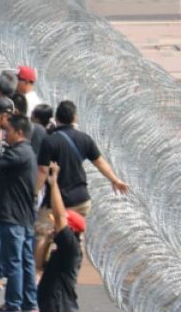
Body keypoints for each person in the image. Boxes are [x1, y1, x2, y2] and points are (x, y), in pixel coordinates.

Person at [33, 100, 129, 268]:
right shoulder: (84, 139)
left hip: (56, 201)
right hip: (80, 200)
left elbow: (42, 171)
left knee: (43, 234)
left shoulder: (50, 141)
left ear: (56, 118)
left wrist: (34, 192)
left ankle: (38, 272)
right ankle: (72, 269)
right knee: (76, 234)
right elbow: (100, 162)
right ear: (74, 117)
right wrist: (115, 180)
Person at [38, 162, 85, 312]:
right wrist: (47, 240)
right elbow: (38, 265)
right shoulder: (61, 249)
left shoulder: (70, 246)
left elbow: (59, 216)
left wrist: (53, 184)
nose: (55, 226)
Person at [0, 112, 39, 312]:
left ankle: (13, 303)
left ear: (19, 132)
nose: (5, 134)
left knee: (14, 260)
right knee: (26, 260)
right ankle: (29, 302)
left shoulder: (18, 153)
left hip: (14, 216)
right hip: (24, 215)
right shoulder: (27, 152)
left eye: (8, 130)